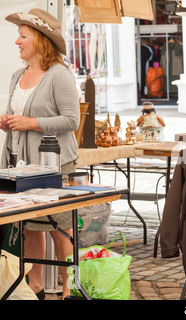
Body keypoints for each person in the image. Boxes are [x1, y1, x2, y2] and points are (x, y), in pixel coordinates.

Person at [0, 9, 80, 300]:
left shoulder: (59, 75)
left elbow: (72, 121)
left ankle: (68, 285)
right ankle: (36, 287)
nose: (17, 42)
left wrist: (30, 123)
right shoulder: (17, 74)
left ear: (40, 40)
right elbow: (19, 116)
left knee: (59, 226)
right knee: (30, 226)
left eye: (23, 36)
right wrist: (8, 120)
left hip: (54, 163)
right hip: (20, 164)